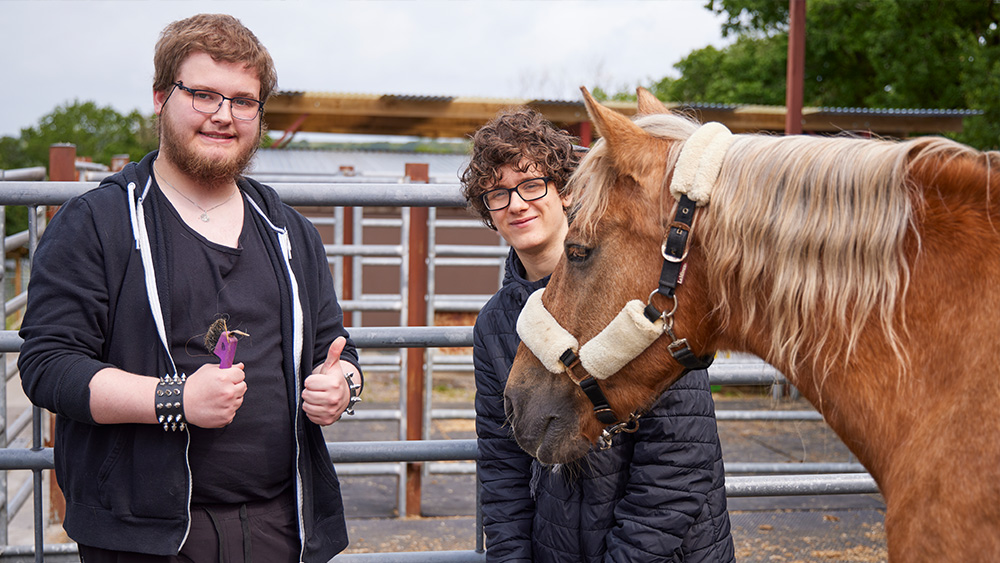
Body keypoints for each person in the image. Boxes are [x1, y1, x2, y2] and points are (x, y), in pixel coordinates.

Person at [17, 14, 362, 563]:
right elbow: (48, 365)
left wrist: (343, 384)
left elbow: (335, 349)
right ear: (160, 97)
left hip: (281, 524)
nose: (223, 116)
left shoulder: (289, 231)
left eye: (243, 100)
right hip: (143, 536)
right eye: (203, 95)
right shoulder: (98, 223)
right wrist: (174, 400)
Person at [461, 108, 735, 562]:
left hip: (664, 550)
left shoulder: (635, 286)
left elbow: (680, 460)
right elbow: (502, 464)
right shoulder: (496, 323)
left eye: (531, 185)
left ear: (566, 193)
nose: (516, 203)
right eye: (497, 193)